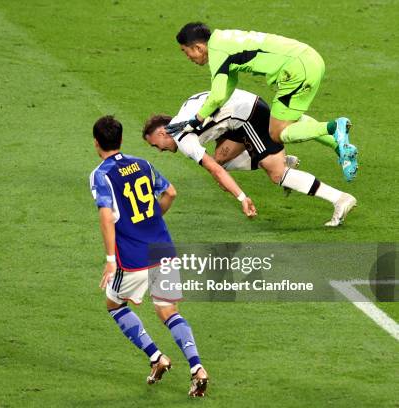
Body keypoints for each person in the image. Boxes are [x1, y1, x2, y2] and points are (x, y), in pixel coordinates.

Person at [89, 115, 210, 397]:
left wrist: (110, 259)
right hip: (163, 249)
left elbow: (106, 216)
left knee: (114, 304)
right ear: (120, 139)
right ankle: (197, 368)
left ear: (97, 143)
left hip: (133, 258)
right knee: (169, 312)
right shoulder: (142, 164)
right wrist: (150, 219)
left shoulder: (101, 174)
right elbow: (170, 192)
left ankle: (157, 357)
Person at [173, 22, 358, 182]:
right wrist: (208, 113)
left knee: (278, 133)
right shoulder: (222, 39)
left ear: (198, 47)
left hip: (295, 71)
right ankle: (340, 147)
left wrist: (196, 120)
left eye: (186, 51)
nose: (188, 57)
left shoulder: (217, 52)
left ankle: (334, 127)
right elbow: (228, 85)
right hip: (311, 59)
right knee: (290, 119)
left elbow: (217, 95)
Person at [144, 89, 357, 226]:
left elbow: (214, 171)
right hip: (240, 113)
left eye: (156, 145)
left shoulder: (182, 139)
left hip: (250, 117)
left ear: (162, 133)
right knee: (220, 159)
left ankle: (339, 198)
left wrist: (241, 197)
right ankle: (277, 158)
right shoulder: (183, 111)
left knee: (277, 175)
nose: (160, 150)